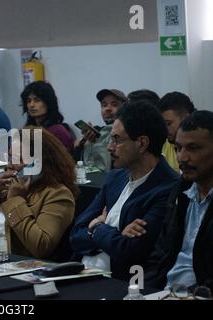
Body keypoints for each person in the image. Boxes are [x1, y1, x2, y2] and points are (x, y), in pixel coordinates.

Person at [70, 100, 179, 280]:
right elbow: (76, 235)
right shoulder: (114, 178)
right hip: (81, 272)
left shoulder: (168, 188)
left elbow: (131, 250)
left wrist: (97, 227)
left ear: (142, 144)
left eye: (117, 140)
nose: (109, 147)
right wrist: (116, 233)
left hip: (119, 284)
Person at [0, 128, 78, 260]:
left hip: (14, 266)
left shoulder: (58, 195)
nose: (10, 164)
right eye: (9, 157)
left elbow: (41, 246)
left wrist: (15, 200)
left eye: (18, 159)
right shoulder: (2, 188)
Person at [144, 111, 213, 292]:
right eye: (178, 148)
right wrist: (143, 292)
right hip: (166, 291)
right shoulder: (181, 190)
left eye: (193, 148)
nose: (182, 157)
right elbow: (160, 254)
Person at [73, 89, 126, 172]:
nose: (107, 109)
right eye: (104, 105)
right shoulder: (98, 131)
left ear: (124, 108)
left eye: (114, 104)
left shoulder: (126, 135)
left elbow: (106, 170)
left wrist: (94, 144)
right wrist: (82, 145)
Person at [21, 81, 74, 152]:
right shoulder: (30, 128)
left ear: (48, 102)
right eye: (29, 101)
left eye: (37, 100)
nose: (31, 105)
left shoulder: (58, 131)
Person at [158, 92, 195, 172]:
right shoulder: (164, 145)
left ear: (186, 118)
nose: (164, 129)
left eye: (168, 123)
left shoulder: (206, 145)